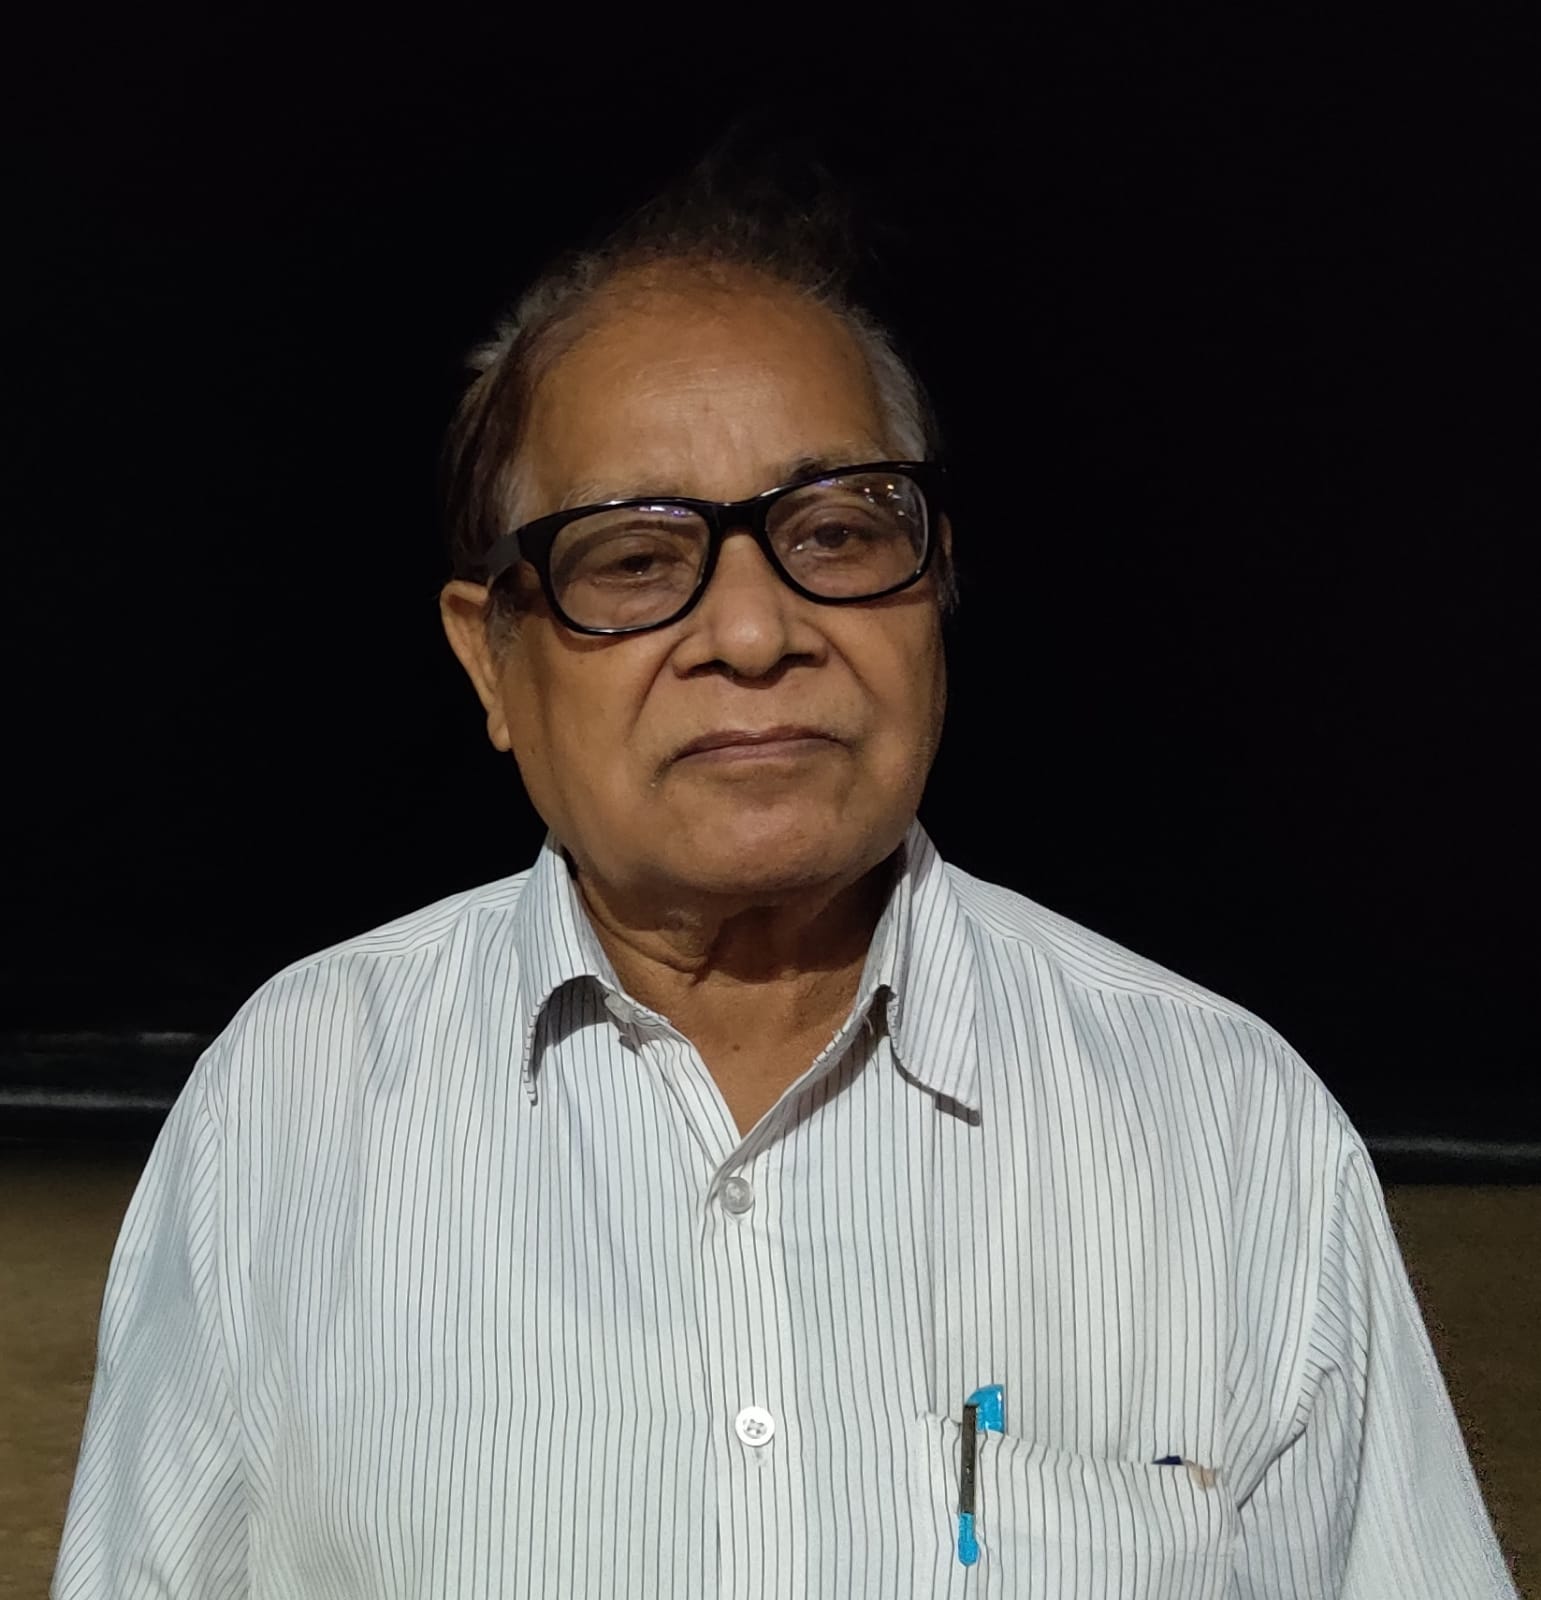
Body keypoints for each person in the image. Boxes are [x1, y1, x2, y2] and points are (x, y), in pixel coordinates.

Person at [53, 177, 1517, 1600]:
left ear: (935, 586)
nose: (754, 632)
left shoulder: (1229, 1128)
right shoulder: (289, 1109)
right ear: (490, 658)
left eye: (836, 534)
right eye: (635, 560)